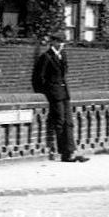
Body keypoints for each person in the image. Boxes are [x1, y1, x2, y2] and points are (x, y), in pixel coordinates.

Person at [31, 34, 89, 163]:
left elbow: (64, 74)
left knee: (69, 122)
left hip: (64, 93)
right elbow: (38, 79)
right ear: (54, 42)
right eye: (60, 42)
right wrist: (46, 93)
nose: (62, 45)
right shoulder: (46, 57)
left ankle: (71, 151)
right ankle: (66, 153)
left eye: (63, 42)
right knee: (60, 122)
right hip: (54, 94)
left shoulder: (62, 55)